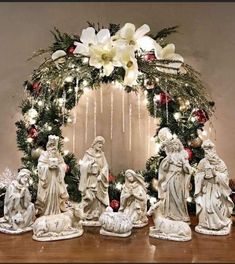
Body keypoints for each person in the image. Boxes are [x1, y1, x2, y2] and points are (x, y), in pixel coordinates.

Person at [195, 139, 233, 233]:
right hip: (206, 188)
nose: (208, 152)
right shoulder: (202, 162)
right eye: (206, 150)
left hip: (216, 189)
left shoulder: (220, 163)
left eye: (209, 149)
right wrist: (204, 176)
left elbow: (225, 176)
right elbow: (197, 175)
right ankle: (205, 224)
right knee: (205, 206)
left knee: (214, 204)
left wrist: (215, 173)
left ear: (213, 150)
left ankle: (218, 224)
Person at [158, 137, 192, 222]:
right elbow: (164, 168)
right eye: (174, 144)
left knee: (179, 196)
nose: (175, 146)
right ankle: (170, 214)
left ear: (179, 145)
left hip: (179, 178)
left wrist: (185, 166)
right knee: (170, 196)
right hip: (170, 177)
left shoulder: (182, 156)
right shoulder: (169, 156)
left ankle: (181, 214)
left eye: (177, 144)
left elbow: (187, 170)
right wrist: (168, 161)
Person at [35, 135, 69, 216]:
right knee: (48, 195)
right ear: (48, 146)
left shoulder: (58, 155)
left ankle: (57, 210)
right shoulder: (44, 155)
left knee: (56, 193)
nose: (53, 148)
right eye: (51, 145)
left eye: (55, 146)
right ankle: (46, 211)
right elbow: (40, 166)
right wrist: (47, 167)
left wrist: (59, 167)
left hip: (56, 179)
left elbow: (63, 165)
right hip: (48, 180)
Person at [79, 136, 109, 221]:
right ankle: (88, 214)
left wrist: (101, 175)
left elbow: (105, 166)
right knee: (90, 196)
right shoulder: (88, 153)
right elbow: (83, 165)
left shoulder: (102, 154)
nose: (100, 145)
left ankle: (99, 214)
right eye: (99, 143)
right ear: (95, 143)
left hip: (99, 180)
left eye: (102, 144)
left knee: (98, 199)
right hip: (91, 179)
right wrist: (90, 165)